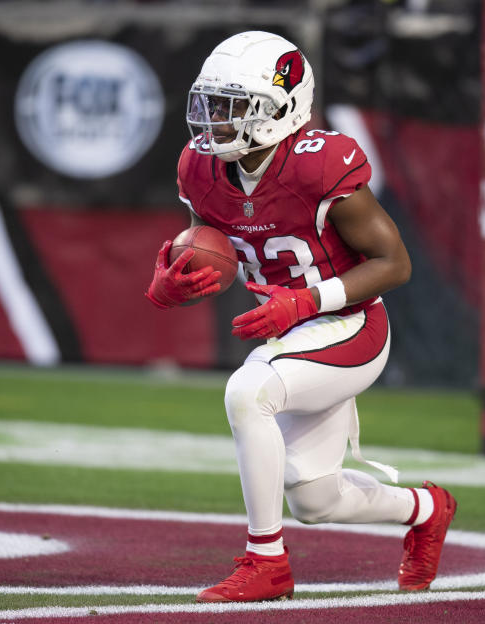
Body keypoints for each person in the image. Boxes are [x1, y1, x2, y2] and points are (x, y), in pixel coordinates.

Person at [145, 30, 456, 602]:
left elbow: (395, 264)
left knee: (247, 392)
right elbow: (228, 250)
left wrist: (308, 302)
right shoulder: (201, 168)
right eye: (210, 104)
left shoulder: (318, 165)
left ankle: (267, 562)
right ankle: (427, 508)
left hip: (351, 325)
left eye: (231, 106)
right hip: (293, 329)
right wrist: (172, 285)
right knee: (317, 499)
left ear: (279, 109)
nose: (213, 120)